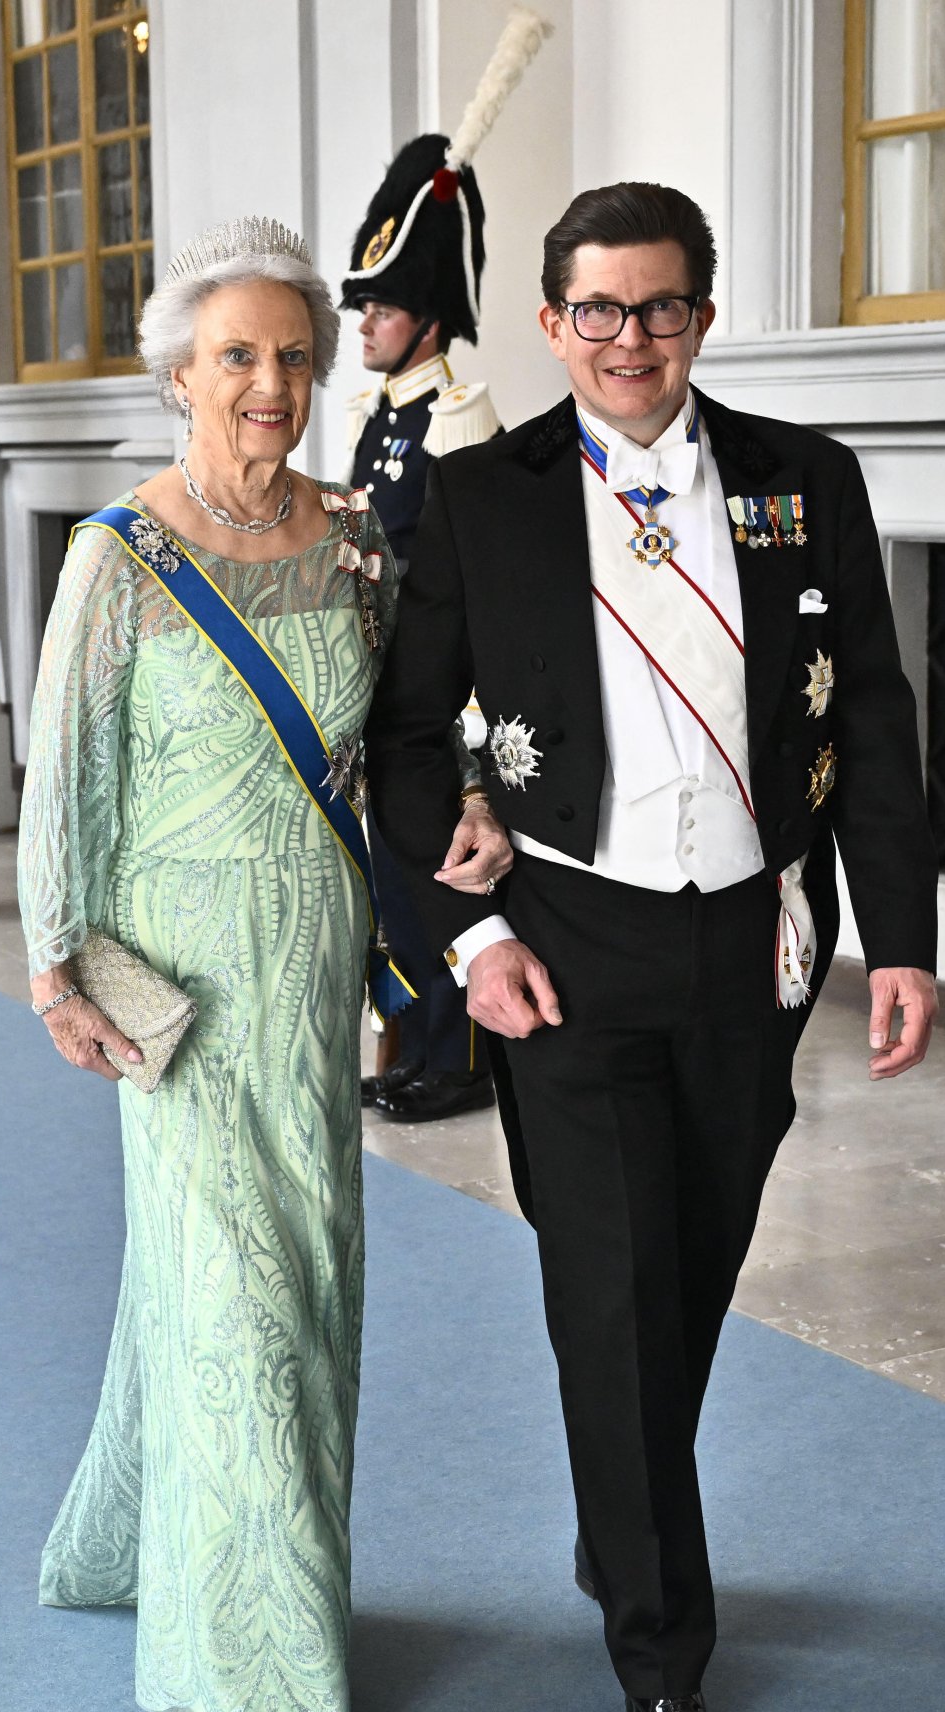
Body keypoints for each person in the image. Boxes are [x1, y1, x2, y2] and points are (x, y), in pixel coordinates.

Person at [365, 181, 939, 1712]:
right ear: (552, 324)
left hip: (751, 951)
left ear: (703, 313)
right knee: (611, 1305)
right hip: (569, 951)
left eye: (661, 306)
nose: (630, 338)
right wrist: (471, 945)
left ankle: (620, 1520)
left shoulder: (802, 484)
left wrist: (896, 937)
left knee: (675, 1285)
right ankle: (664, 1666)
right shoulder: (485, 500)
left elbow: (876, 722)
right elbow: (409, 743)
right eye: (598, 311)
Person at [19, 216, 456, 1712]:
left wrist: (453, 837)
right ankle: (251, 1665)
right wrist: (60, 964)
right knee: (240, 1304)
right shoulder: (117, 557)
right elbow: (63, 778)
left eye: (292, 355)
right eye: (236, 357)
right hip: (181, 978)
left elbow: (394, 743)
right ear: (181, 375)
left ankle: (132, 1534)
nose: (269, 383)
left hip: (314, 962)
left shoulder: (354, 540)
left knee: (303, 1280)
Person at [340, 4, 552, 1124]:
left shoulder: (461, 417)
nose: (363, 321)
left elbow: (478, 577)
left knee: (445, 867)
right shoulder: (382, 415)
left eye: (380, 304)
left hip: (445, 690)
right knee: (397, 871)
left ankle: (460, 1054)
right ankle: (419, 1038)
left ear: (429, 316)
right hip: (388, 678)